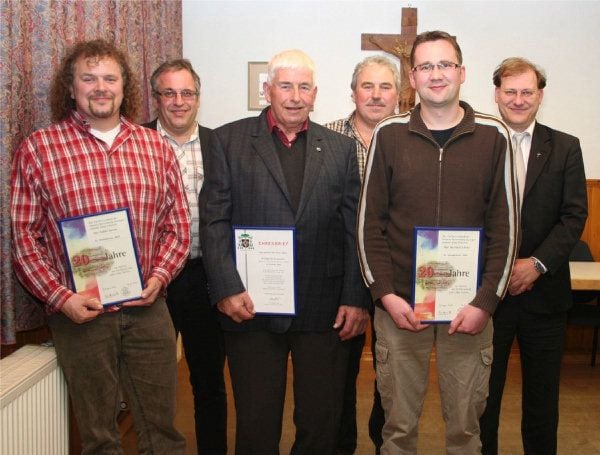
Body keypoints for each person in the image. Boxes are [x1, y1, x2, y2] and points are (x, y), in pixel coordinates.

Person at [10, 39, 190, 454]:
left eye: (110, 77)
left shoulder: (155, 147)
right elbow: (24, 239)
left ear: (124, 87)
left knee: (163, 432)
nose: (100, 86)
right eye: (88, 78)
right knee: (98, 437)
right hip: (81, 317)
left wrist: (160, 277)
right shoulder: (39, 149)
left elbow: (177, 227)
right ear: (70, 88)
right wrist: (61, 298)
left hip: (148, 311)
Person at [199, 49, 370, 454]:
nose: (295, 96)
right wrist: (225, 287)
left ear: (315, 94)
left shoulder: (340, 149)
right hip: (251, 305)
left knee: (319, 422)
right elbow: (214, 220)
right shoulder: (228, 141)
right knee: (256, 424)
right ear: (267, 90)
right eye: (286, 86)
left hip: (323, 306)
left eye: (304, 87)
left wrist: (355, 297)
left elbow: (353, 230)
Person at [357, 31, 519, 454]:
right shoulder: (388, 135)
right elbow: (368, 226)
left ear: (462, 72)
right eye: (426, 66)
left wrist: (485, 302)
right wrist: (386, 296)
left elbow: (506, 231)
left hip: (467, 312)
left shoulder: (493, 135)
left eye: (444, 64)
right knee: (397, 428)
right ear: (412, 77)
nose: (436, 74)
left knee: (466, 432)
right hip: (401, 310)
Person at [479, 57, 588, 455]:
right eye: (511, 92)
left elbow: (574, 215)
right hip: (488, 297)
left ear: (540, 96)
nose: (519, 100)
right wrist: (499, 268)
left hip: (545, 297)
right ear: (496, 95)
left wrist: (537, 264)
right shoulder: (478, 144)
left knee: (542, 400)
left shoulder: (565, 147)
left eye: (527, 92)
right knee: (482, 399)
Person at [144, 59, 227, 455]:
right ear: (155, 98)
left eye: (187, 93)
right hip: (149, 283)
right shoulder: (135, 141)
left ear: (198, 97)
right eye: (169, 93)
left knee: (208, 380)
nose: (179, 102)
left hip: (202, 277)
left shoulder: (220, 145)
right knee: (151, 381)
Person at [324, 55, 400, 454]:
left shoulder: (412, 137)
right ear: (353, 91)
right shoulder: (326, 137)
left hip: (397, 278)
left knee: (392, 378)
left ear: (399, 94)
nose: (375, 95)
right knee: (339, 376)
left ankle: (382, 443)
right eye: (367, 86)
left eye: (385, 86)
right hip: (342, 280)